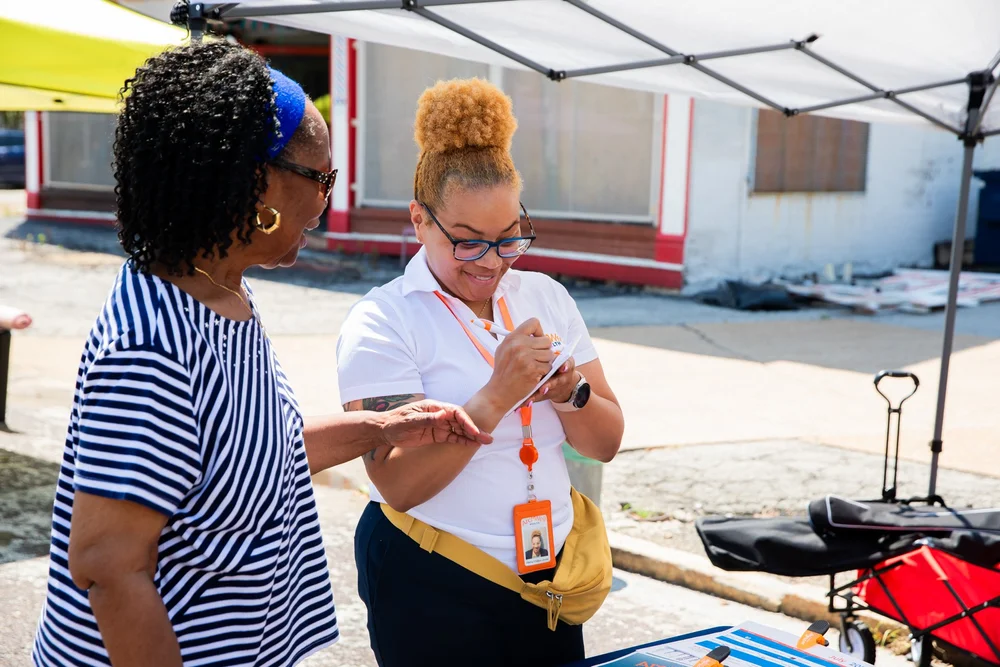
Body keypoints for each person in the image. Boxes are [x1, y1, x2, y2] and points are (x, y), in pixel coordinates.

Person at [30, 41, 490, 667]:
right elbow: (108, 566)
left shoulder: (223, 292)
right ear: (255, 181)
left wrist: (385, 426)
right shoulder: (150, 348)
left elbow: (245, 453)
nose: (329, 197)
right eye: (321, 177)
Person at [337, 78, 625, 666]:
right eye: (467, 243)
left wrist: (571, 391)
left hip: (548, 574)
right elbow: (396, 482)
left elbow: (606, 442)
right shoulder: (383, 320)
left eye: (509, 239)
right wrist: (497, 395)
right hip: (433, 569)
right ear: (419, 220)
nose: (491, 262)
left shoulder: (543, 295)